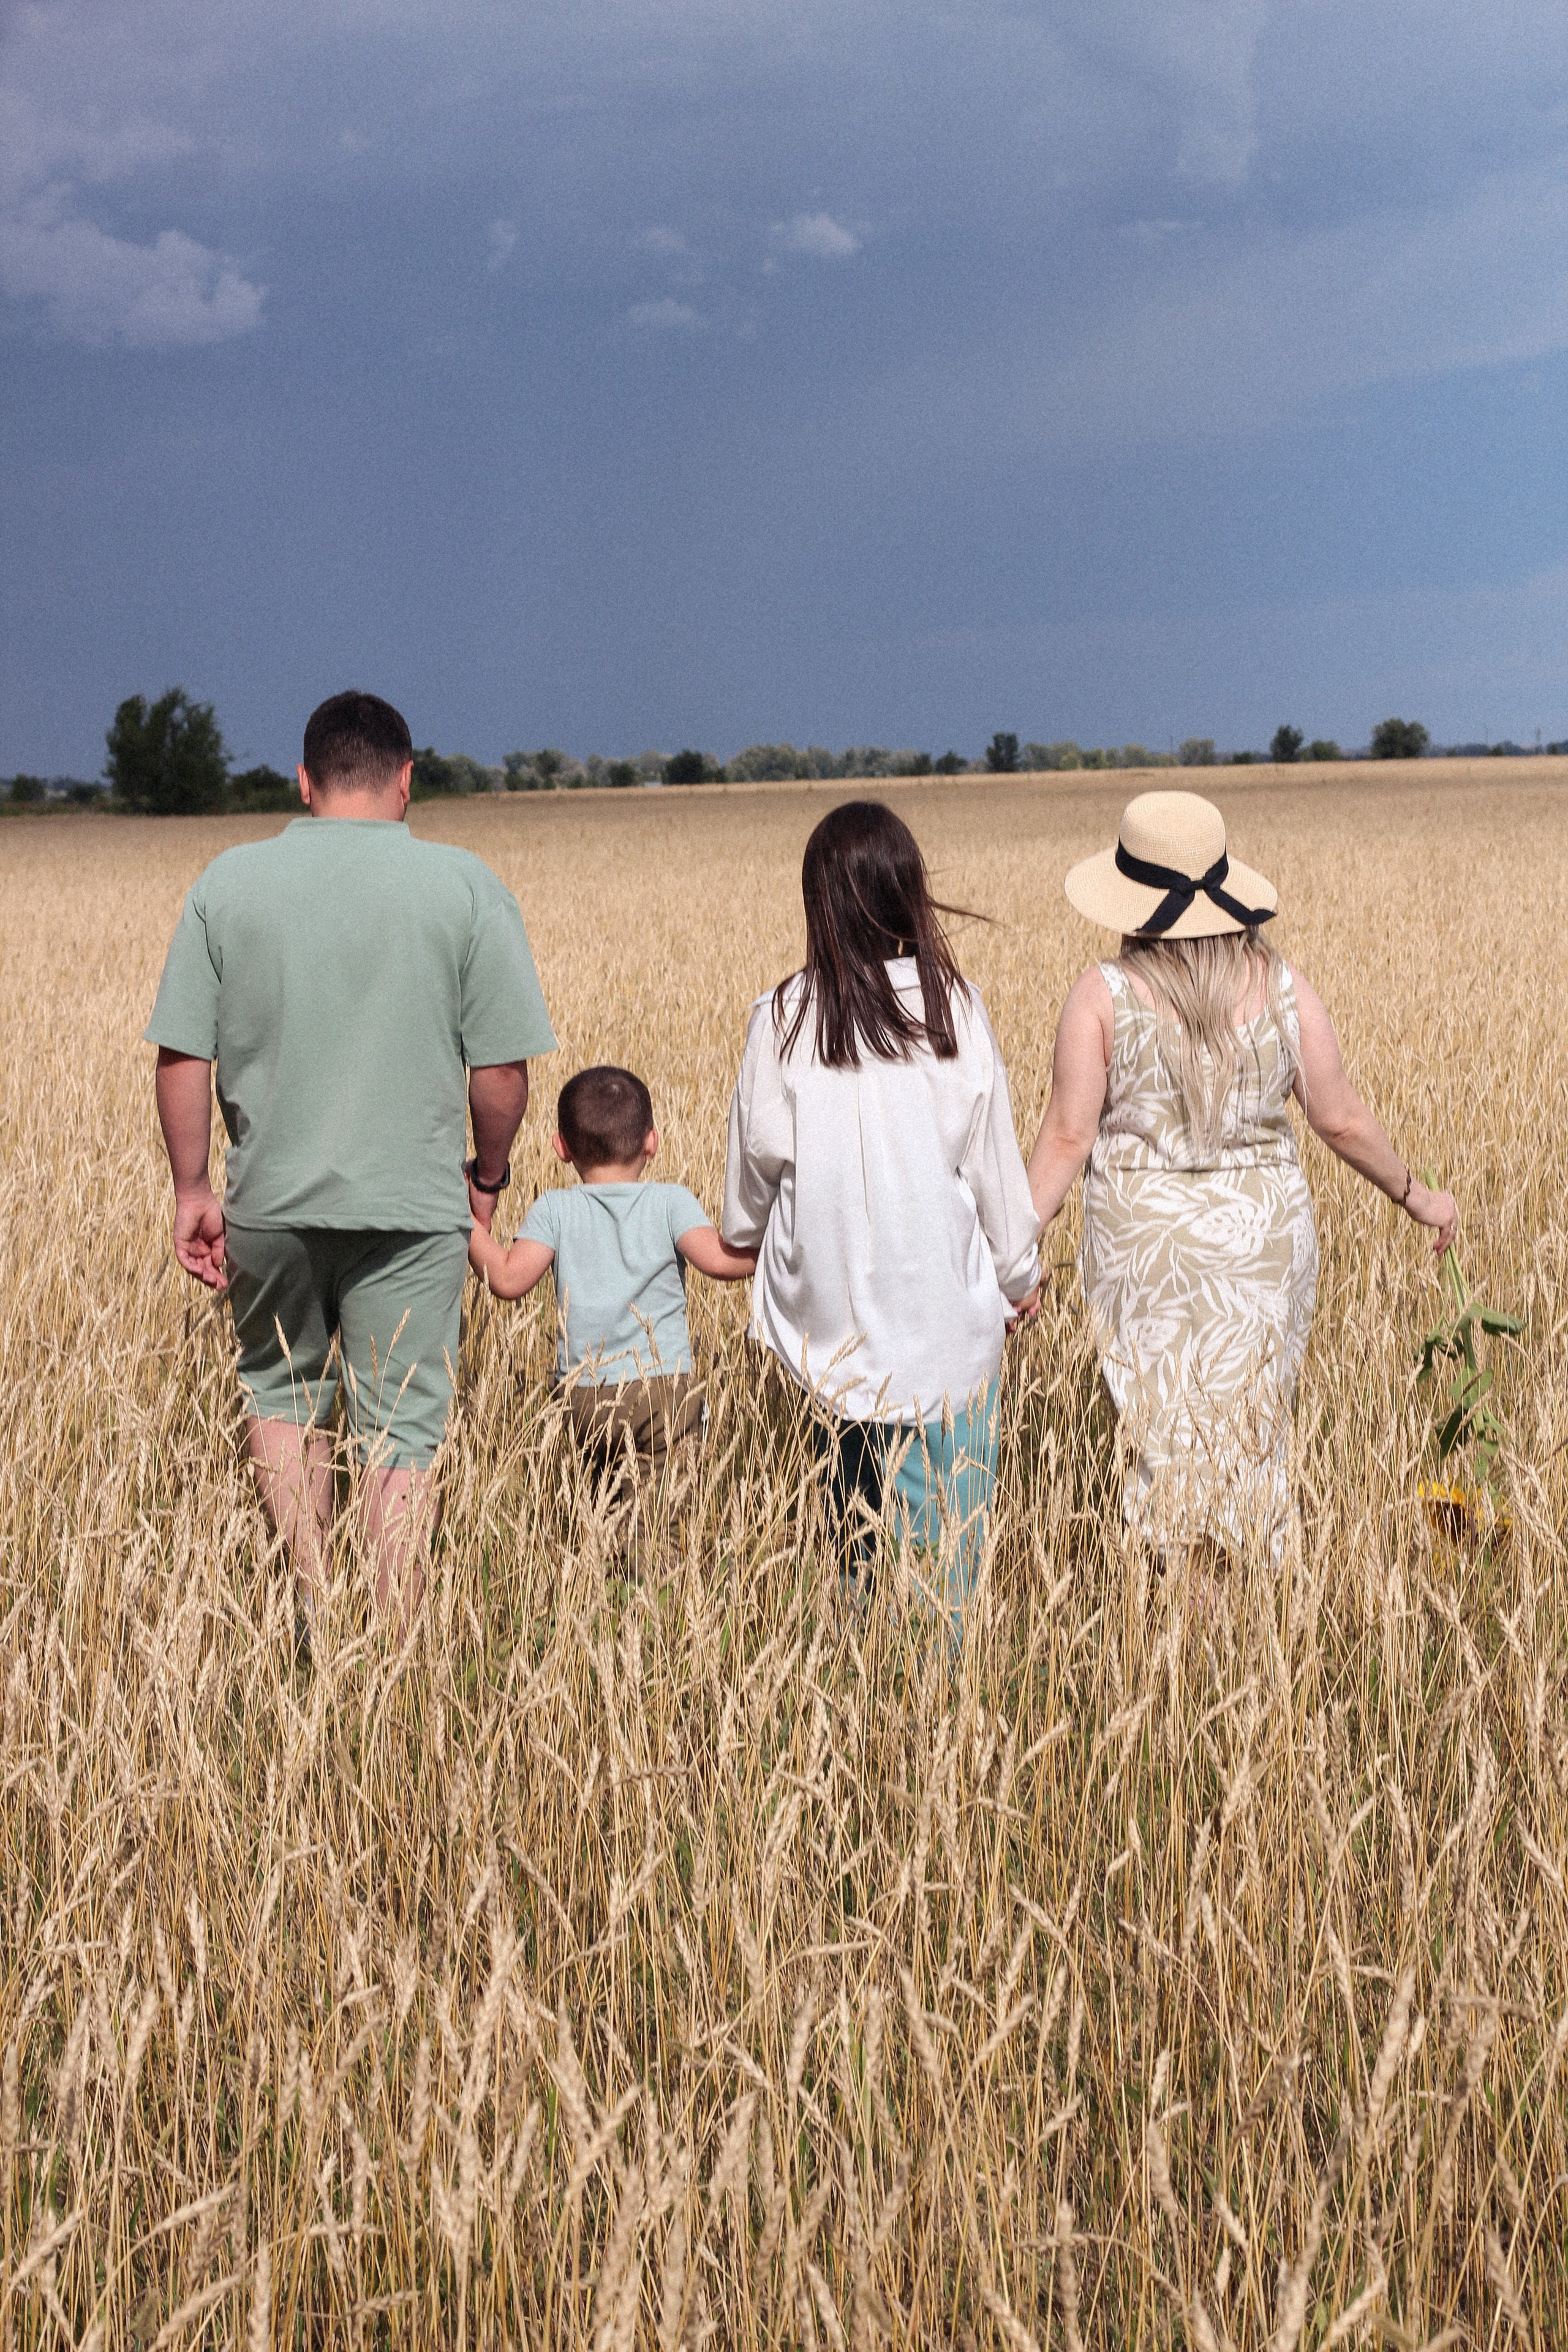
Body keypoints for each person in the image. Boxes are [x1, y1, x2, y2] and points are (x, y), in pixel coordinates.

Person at [145, 689, 554, 1625]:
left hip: (268, 1203)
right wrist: (485, 1182)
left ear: (304, 781)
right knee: (402, 1423)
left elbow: (182, 1057)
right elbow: (499, 1072)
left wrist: (192, 1187)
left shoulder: (227, 883)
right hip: (414, 1209)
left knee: (282, 1394)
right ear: (407, 780)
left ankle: (313, 1608)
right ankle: (398, 1634)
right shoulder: (467, 886)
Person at [1026, 788, 1458, 1566]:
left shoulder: (1105, 992)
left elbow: (1065, 1136)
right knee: (1250, 1433)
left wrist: (1006, 1252)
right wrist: (1415, 1195)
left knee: (1162, 1435)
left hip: (1141, 1253)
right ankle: (1243, 1629)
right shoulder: (1281, 986)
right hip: (1261, 1246)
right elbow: (1340, 1118)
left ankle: (1184, 1629)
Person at [722, 801, 1041, 1615]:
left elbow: (757, 1162)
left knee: (852, 1527)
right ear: (909, 893)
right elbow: (993, 1164)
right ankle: (935, 1691)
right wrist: (1017, 1275)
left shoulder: (783, 1014)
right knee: (948, 1545)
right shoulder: (954, 1007)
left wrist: (744, 1234)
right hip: (941, 1316)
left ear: (817, 900)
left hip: (828, 1323)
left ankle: (863, 1675)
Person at [469, 1064, 756, 1487]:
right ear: (652, 1142)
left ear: (561, 1147)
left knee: (595, 1510)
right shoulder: (671, 1202)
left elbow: (508, 1280)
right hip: (661, 1388)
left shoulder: (554, 1209)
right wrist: (778, 1248)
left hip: (583, 1395)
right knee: (657, 1523)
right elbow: (717, 1261)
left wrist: (464, 1219)